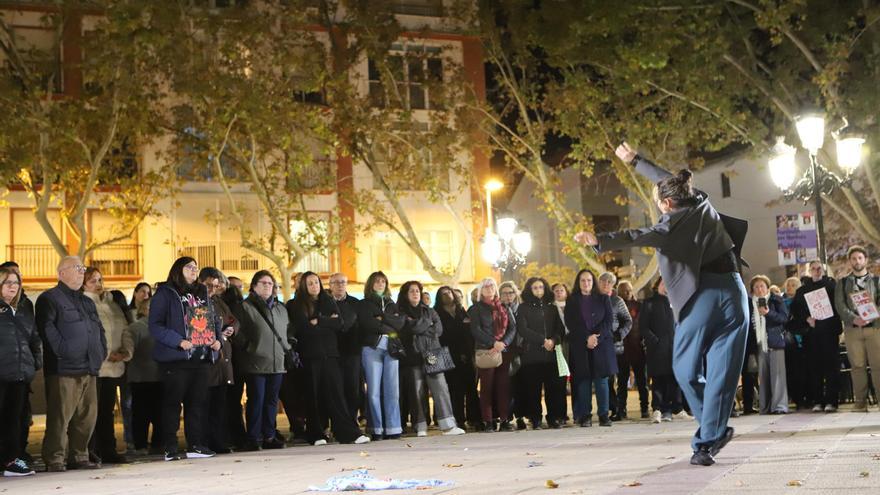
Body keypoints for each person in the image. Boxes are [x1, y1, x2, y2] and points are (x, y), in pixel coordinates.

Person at [577, 142, 749, 466]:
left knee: (685, 369)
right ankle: (708, 439)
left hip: (704, 297)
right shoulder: (701, 201)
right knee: (723, 372)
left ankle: (711, 433)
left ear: (667, 203)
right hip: (736, 293)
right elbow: (667, 179)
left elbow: (636, 235)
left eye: (658, 201)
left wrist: (599, 240)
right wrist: (635, 160)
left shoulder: (669, 225)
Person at [37, 256, 107, 471]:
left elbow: (99, 330)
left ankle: (79, 456)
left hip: (89, 367)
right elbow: (47, 330)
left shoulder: (87, 301)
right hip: (63, 369)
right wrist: (64, 352)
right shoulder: (49, 298)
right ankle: (55, 459)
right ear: (61, 273)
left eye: (82, 268)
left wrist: (101, 352)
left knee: (87, 417)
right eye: (77, 267)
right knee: (60, 417)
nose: (81, 271)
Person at [149, 257, 220, 461]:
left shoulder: (202, 292)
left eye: (196, 267)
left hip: (200, 356)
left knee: (197, 403)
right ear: (178, 269)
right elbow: (155, 325)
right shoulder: (165, 293)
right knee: (172, 404)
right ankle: (170, 447)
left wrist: (216, 340)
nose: (194, 270)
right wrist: (178, 341)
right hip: (175, 357)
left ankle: (195, 445)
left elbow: (211, 319)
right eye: (189, 267)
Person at [291, 272, 370, 446]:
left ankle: (347, 433)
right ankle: (316, 433)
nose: (314, 286)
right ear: (304, 286)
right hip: (310, 356)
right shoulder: (296, 304)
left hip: (331, 355)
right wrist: (327, 322)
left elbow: (339, 323)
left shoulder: (327, 301)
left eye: (316, 282)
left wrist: (318, 321)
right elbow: (303, 328)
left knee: (337, 395)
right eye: (310, 283)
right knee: (314, 395)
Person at [397, 281, 466, 437]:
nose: (415, 293)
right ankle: (420, 426)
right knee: (417, 391)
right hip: (413, 354)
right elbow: (410, 329)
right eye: (412, 291)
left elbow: (438, 330)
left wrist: (419, 326)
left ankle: (448, 426)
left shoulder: (429, 310)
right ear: (406, 294)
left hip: (433, 353)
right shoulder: (401, 312)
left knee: (441, 388)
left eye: (417, 291)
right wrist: (427, 324)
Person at [81, 267, 132, 464]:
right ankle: (90, 450)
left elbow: (125, 329)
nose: (98, 284)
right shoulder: (84, 304)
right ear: (84, 284)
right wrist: (104, 353)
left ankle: (108, 449)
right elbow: (88, 335)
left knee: (107, 411)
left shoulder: (112, 304)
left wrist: (125, 352)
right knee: (90, 412)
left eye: (100, 280)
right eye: (92, 281)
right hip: (94, 367)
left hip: (113, 366)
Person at [233, 270, 289, 450]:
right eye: (263, 283)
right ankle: (254, 437)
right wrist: (249, 346)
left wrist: (289, 345)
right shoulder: (245, 307)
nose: (267, 286)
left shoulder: (280, 308)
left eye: (270, 283)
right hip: (255, 362)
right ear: (254, 286)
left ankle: (269, 436)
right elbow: (237, 333)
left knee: (272, 401)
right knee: (256, 400)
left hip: (277, 362)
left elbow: (288, 331)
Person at [0, 267, 40, 476]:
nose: (13, 287)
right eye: (8, 282)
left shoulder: (23, 310)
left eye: (16, 283)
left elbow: (34, 338)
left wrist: (35, 362)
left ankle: (11, 461)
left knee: (14, 420)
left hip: (20, 373)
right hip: (2, 373)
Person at [564, 269, 616, 427]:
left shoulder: (603, 298)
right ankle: (585, 415)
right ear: (578, 282)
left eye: (589, 280)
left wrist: (596, 337)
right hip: (581, 345)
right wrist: (587, 337)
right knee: (583, 381)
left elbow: (608, 321)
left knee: (602, 381)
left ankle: (604, 415)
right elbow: (571, 323)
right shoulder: (572, 300)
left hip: (601, 345)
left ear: (593, 282)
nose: (586, 283)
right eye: (583, 280)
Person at [787, 261, 842, 412]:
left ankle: (832, 401)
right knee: (814, 369)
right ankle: (817, 401)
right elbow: (795, 310)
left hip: (829, 333)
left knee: (831, 368)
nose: (817, 271)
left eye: (819, 269)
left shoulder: (832, 286)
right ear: (809, 271)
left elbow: (838, 306)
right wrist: (806, 318)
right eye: (813, 269)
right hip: (811, 335)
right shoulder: (802, 290)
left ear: (823, 270)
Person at [357, 271, 405, 440]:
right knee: (373, 391)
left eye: (383, 281)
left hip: (392, 348)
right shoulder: (364, 304)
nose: (380, 284)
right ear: (371, 284)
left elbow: (400, 324)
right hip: (372, 348)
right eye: (377, 281)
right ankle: (376, 429)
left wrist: (382, 318)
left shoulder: (392, 303)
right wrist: (389, 323)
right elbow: (367, 324)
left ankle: (393, 428)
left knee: (392, 390)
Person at [833, 246, 880, 412]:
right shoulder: (842, 283)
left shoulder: (876, 281)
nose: (857, 261)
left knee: (878, 365)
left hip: (875, 329)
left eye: (860, 258)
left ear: (865, 260)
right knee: (857, 367)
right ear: (850, 261)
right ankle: (860, 403)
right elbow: (840, 305)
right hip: (853, 330)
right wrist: (854, 318)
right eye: (854, 258)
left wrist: (872, 315)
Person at [516, 277, 565, 429]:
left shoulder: (552, 308)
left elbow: (560, 330)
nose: (538, 290)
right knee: (533, 389)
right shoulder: (523, 308)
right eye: (535, 287)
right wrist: (542, 340)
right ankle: (535, 418)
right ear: (530, 290)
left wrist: (553, 341)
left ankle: (553, 418)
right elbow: (523, 329)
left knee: (553, 389)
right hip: (531, 356)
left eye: (541, 287)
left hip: (551, 355)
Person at [469, 278, 516, 432]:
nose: (489, 289)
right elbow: (476, 330)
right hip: (486, 351)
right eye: (486, 287)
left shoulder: (504, 306)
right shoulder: (476, 308)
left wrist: (503, 343)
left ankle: (504, 420)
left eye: (492, 286)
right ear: (481, 290)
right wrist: (493, 343)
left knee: (503, 388)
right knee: (487, 388)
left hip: (503, 351)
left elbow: (512, 328)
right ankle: (488, 421)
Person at [199, 268, 237, 454]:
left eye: (215, 286)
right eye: (208, 285)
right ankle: (203, 442)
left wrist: (231, 329)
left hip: (222, 359)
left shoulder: (218, 301)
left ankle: (217, 441)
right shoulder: (194, 301)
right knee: (204, 405)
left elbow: (233, 320)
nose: (212, 289)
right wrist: (216, 336)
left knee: (219, 405)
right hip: (205, 360)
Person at [435, 286, 480, 429]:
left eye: (449, 292)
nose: (447, 295)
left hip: (466, 353)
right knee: (455, 389)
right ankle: (459, 419)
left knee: (471, 387)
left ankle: (475, 418)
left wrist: (469, 352)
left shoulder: (461, 310)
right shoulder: (437, 312)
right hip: (447, 354)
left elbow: (468, 331)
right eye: (443, 294)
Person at [641, 278, 685, 423]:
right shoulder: (649, 303)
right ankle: (658, 409)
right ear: (657, 285)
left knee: (674, 378)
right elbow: (643, 327)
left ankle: (677, 408)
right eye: (663, 283)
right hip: (657, 349)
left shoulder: (676, 302)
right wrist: (655, 341)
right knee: (659, 379)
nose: (666, 287)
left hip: (675, 347)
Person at [123, 297, 163, 455]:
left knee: (141, 414)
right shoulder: (137, 328)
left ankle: (141, 445)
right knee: (156, 413)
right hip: (150, 376)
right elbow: (129, 350)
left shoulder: (134, 328)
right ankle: (156, 444)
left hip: (142, 378)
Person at [749, 275, 789, 414]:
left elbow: (784, 318)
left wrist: (768, 313)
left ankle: (779, 406)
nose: (759, 289)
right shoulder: (749, 304)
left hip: (774, 341)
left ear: (767, 288)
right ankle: (765, 407)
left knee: (778, 376)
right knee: (763, 377)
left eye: (762, 286)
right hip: (759, 344)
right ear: (752, 290)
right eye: (756, 287)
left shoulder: (776, 300)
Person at [329, 273, 364, 424]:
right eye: (336, 282)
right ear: (330, 285)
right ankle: (337, 423)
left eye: (343, 282)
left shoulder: (355, 303)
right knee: (335, 390)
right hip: (332, 353)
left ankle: (352, 421)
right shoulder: (326, 303)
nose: (340, 285)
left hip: (352, 352)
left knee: (352, 389)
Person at [597, 272, 633, 421]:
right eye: (603, 281)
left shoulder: (617, 301)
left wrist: (619, 335)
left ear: (613, 285)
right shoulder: (594, 300)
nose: (606, 284)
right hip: (601, 347)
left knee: (621, 380)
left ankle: (621, 409)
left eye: (609, 282)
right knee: (608, 380)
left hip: (617, 348)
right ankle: (613, 408)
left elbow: (628, 321)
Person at [617, 281, 650, 419]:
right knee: (622, 382)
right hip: (622, 350)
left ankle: (644, 408)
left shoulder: (640, 306)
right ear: (619, 292)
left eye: (629, 290)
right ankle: (621, 409)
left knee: (642, 381)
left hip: (638, 348)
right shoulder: (616, 306)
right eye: (624, 290)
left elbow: (645, 325)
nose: (627, 293)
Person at [780, 276, 808, 410]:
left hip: (803, 338)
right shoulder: (781, 302)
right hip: (788, 341)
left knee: (804, 370)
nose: (790, 287)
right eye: (788, 285)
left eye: (793, 285)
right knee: (792, 371)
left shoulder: (803, 301)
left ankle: (807, 397)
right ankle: (797, 398)